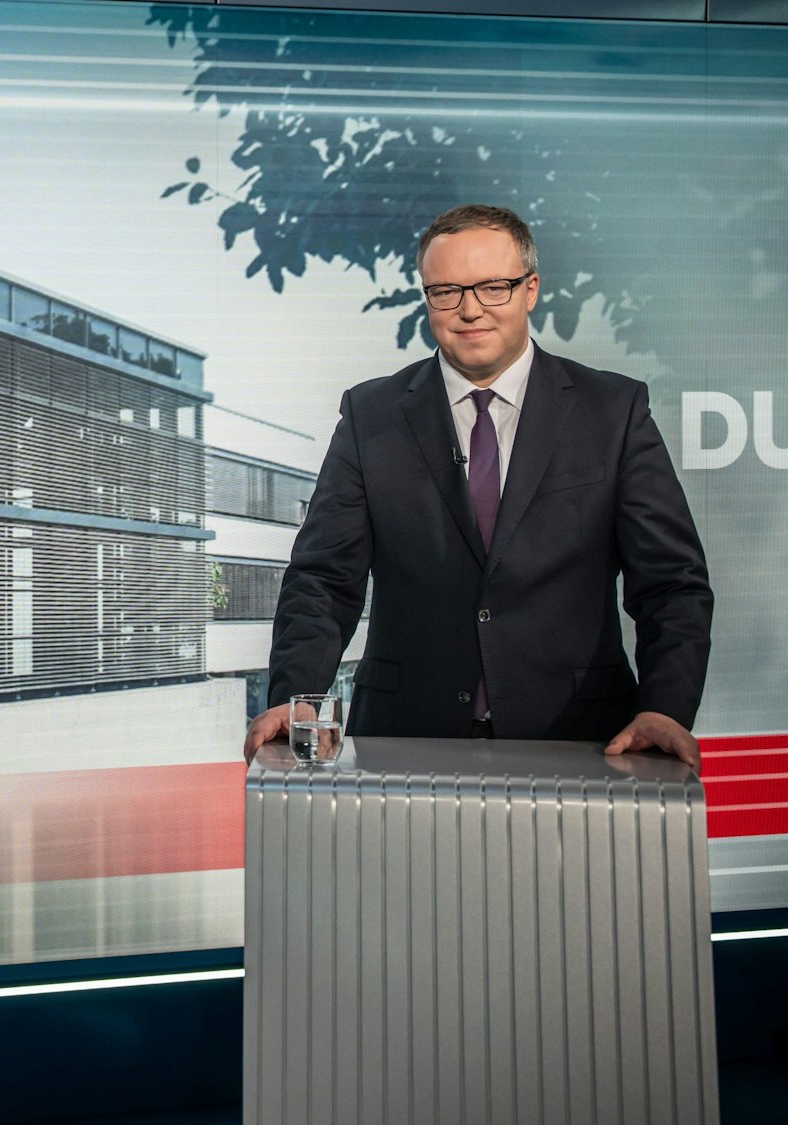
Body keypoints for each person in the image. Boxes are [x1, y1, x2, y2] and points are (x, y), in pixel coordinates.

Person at [244, 204, 712, 766]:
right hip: (404, 740)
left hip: (586, 740)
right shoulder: (372, 416)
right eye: (446, 291)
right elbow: (322, 580)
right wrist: (298, 699)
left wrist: (666, 705)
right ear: (427, 297)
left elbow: (671, 582)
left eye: (493, 287)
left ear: (531, 289)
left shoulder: (612, 412)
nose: (470, 310)